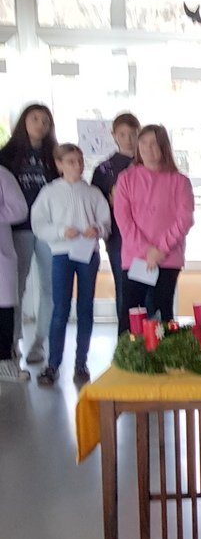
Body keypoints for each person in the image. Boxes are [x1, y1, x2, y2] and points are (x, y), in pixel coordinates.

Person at [30, 144, 110, 386]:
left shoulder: (92, 192)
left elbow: (106, 222)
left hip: (87, 255)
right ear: (59, 164)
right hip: (62, 254)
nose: (77, 165)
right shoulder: (50, 192)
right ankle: (53, 364)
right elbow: (38, 224)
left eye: (80, 160)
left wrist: (97, 229)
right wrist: (61, 231)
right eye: (71, 161)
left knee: (85, 308)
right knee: (60, 309)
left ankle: (81, 362)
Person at [114, 124, 194, 324]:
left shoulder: (180, 181)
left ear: (164, 147)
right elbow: (123, 219)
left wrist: (161, 249)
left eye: (154, 143)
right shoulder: (126, 179)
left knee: (162, 315)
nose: (148, 148)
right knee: (131, 316)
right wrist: (147, 249)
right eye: (143, 143)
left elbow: (184, 220)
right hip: (135, 258)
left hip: (168, 258)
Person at [0, 103, 58, 364]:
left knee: (49, 287)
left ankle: (39, 343)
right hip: (17, 230)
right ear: (24, 121)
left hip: (48, 230)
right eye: (35, 118)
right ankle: (12, 341)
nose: (40, 124)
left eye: (45, 121)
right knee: (15, 288)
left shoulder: (54, 156)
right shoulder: (6, 155)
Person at [90, 112, 141, 335]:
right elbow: (94, 202)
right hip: (119, 238)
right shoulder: (104, 169)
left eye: (133, 134)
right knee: (124, 288)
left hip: (147, 237)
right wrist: (110, 200)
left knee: (149, 289)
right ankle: (126, 341)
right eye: (122, 134)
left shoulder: (147, 163)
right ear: (114, 135)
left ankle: (151, 339)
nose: (128, 139)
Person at [0, 164, 29, 383]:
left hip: (2, 254)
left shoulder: (3, 175)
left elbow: (20, 209)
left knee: (4, 309)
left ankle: (4, 363)